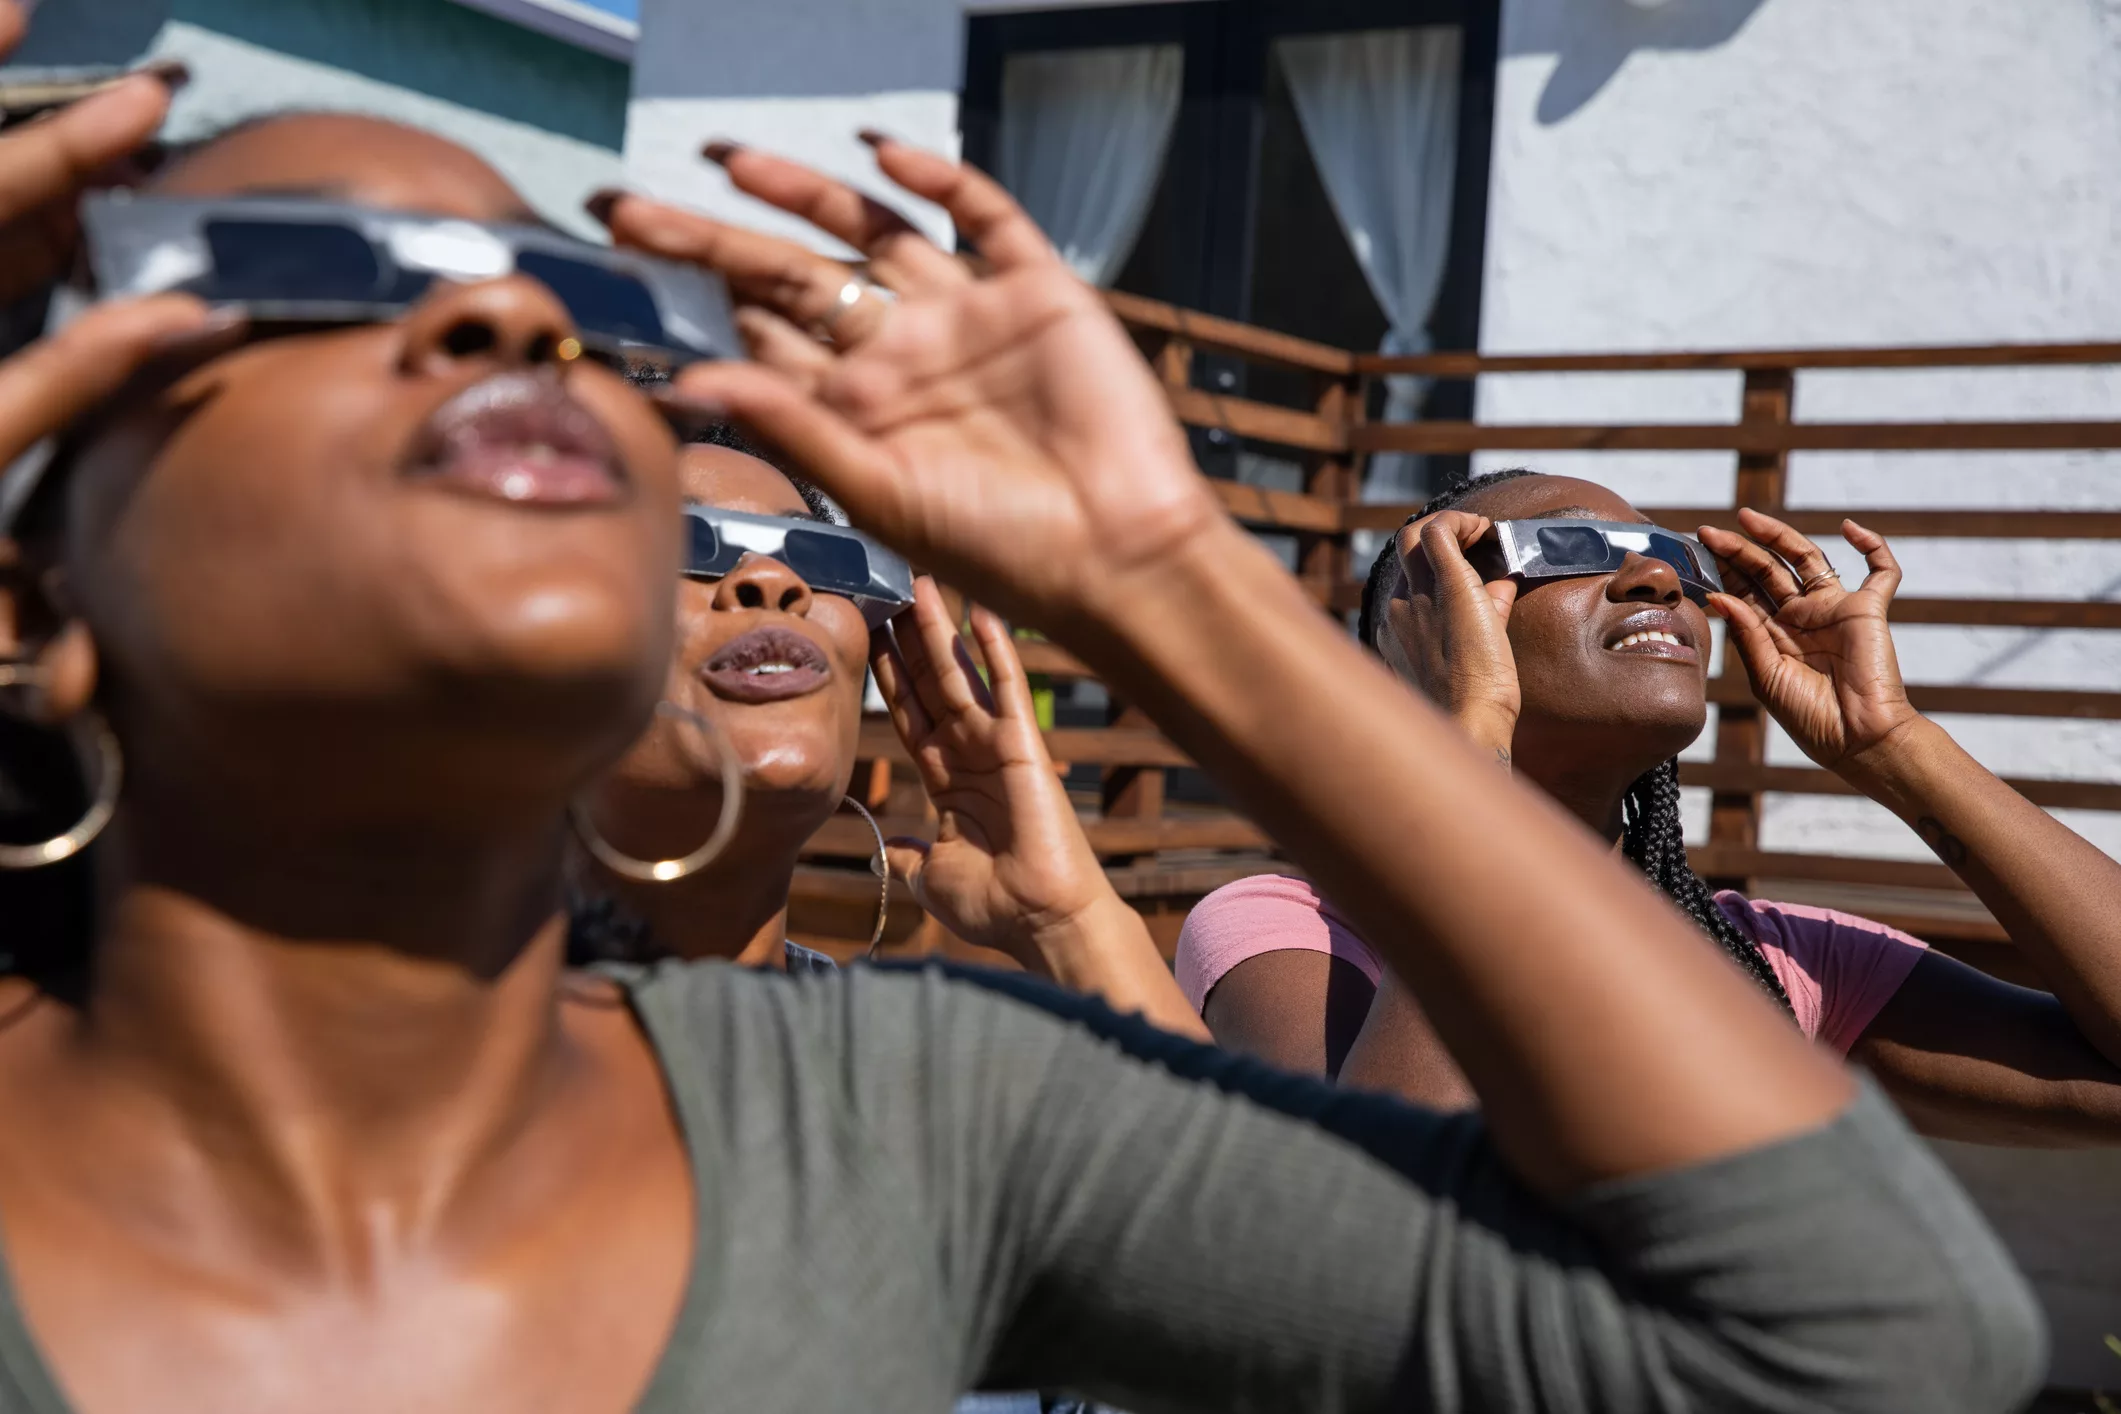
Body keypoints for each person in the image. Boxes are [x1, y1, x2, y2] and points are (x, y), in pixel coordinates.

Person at [0, 51, 2041, 1414]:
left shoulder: (900, 1118)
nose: (505, 329)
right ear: (38, 603)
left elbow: (1864, 1335)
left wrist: (1163, 574)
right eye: (301, 279)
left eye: (585, 321)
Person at [1180, 466, 2121, 1143]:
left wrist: (1894, 747)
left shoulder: (1767, 965)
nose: (1659, 578)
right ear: (1419, 646)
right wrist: (1468, 741)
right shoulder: (1298, 932)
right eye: (1562, 547)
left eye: (1668, 555)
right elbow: (1371, 1233)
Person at [569, 416, 1209, 1039]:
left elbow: (1260, 1150)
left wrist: (1066, 920)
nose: (773, 580)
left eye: (817, 556)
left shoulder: (928, 1070)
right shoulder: (479, 1048)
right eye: (685, 540)